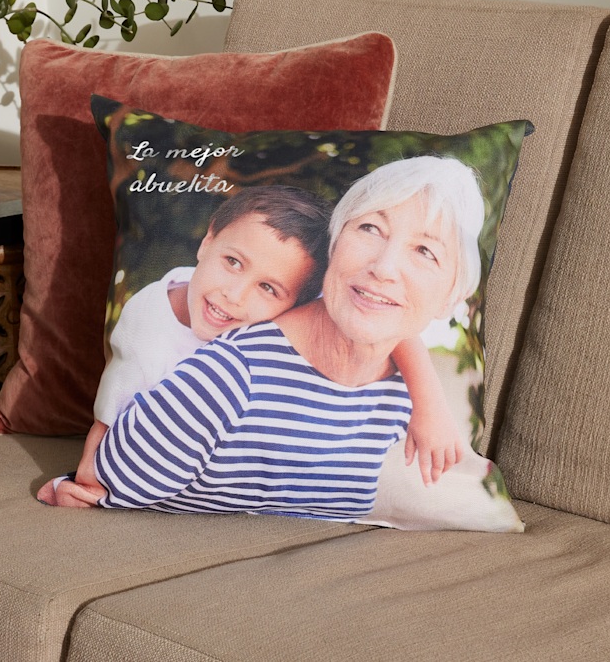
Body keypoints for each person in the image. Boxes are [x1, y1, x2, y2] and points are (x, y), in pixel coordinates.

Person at [50, 155, 485, 519]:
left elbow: (388, 331)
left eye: (425, 251)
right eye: (370, 228)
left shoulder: (400, 385)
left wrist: (430, 403)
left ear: (454, 299)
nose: (384, 267)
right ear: (336, 245)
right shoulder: (223, 372)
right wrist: (82, 478)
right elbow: (106, 475)